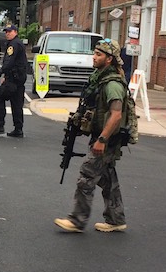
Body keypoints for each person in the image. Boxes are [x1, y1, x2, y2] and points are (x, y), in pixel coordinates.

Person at [54, 38, 128, 234]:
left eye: (98, 55)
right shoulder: (99, 78)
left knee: (87, 175)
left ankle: (77, 220)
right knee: (107, 178)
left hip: (107, 138)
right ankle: (116, 219)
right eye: (94, 53)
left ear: (109, 59)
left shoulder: (112, 84)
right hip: (102, 136)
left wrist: (102, 140)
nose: (93, 58)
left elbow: (116, 114)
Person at [0, 25, 27, 137]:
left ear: (15, 32)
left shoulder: (13, 44)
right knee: (16, 104)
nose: (7, 33)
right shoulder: (19, 43)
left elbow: (9, 62)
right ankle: (18, 129)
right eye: (6, 32)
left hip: (13, 80)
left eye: (9, 31)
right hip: (19, 79)